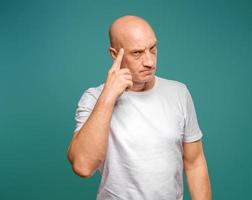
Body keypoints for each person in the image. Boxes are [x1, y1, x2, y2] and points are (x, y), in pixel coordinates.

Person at [67, 15, 212, 200]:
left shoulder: (179, 93)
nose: (149, 62)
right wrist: (109, 97)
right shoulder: (94, 98)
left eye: (153, 49)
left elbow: (195, 162)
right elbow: (83, 166)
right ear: (114, 54)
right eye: (137, 53)